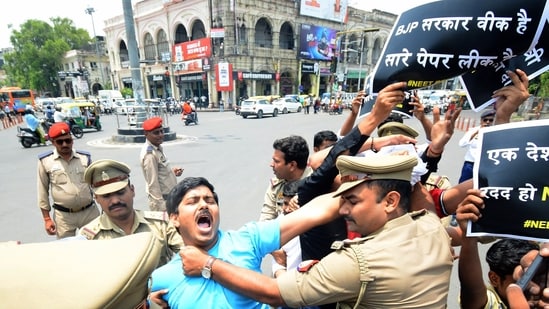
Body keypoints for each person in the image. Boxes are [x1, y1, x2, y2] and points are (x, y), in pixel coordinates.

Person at [179, 154, 454, 308]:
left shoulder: (358, 262)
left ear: (391, 201)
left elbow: (275, 293)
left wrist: (208, 264)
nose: (343, 210)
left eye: (352, 201)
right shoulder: (430, 226)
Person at [149, 176, 342, 308]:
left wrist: (356, 192)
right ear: (174, 218)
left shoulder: (248, 239)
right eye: (193, 202)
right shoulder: (161, 279)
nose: (204, 205)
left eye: (210, 200)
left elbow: (315, 212)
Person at [79, 159, 183, 267]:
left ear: (132, 190)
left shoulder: (161, 224)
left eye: (120, 193)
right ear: (96, 199)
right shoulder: (89, 238)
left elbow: (189, 254)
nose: (115, 201)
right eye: (106, 196)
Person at [455, 189, 539, 308]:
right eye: (523, 280)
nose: (532, 286)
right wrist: (469, 235)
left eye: (535, 277)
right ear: (495, 279)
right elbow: (472, 295)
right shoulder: (492, 303)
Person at [37, 122, 99, 238]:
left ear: (72, 140)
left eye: (68, 140)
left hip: (89, 212)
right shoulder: (45, 161)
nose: (65, 144)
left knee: (96, 246)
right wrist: (47, 219)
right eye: (60, 142)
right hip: (64, 217)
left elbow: (96, 184)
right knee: (66, 250)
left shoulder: (84, 158)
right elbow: (42, 192)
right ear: (52, 142)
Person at [260, 135, 311, 221]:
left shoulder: (316, 183)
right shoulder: (276, 185)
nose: (271, 164)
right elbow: (266, 219)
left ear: (292, 165)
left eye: (276, 161)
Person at [140, 117, 183, 211]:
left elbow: (160, 172)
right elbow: (153, 185)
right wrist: (162, 209)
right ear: (146, 134)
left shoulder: (157, 148)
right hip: (163, 202)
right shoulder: (150, 155)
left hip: (170, 198)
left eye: (161, 131)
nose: (160, 135)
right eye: (156, 133)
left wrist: (172, 172)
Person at [458, 108, 495, 183]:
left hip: (485, 165)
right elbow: (461, 144)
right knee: (463, 185)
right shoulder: (473, 131)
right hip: (470, 164)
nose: (487, 122)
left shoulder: (494, 132)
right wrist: (475, 133)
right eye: (485, 120)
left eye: (490, 120)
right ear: (481, 120)